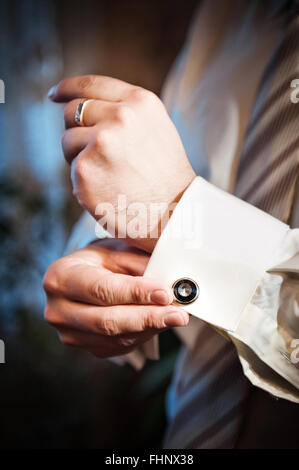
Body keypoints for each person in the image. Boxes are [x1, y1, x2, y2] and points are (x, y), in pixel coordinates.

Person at [43, 0, 299, 448]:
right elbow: (154, 179)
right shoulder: (229, 19)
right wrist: (101, 262)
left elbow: (175, 205)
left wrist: (179, 216)